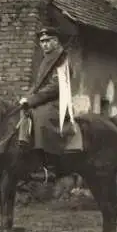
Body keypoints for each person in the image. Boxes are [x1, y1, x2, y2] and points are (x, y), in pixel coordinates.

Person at [18, 26, 82, 155]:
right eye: (42, 41)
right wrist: (27, 97)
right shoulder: (45, 60)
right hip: (45, 99)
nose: (44, 44)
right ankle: (23, 143)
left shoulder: (62, 60)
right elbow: (38, 85)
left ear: (56, 41)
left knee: (41, 116)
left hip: (58, 101)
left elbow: (55, 86)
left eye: (48, 40)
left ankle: (46, 158)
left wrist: (32, 100)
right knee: (23, 110)